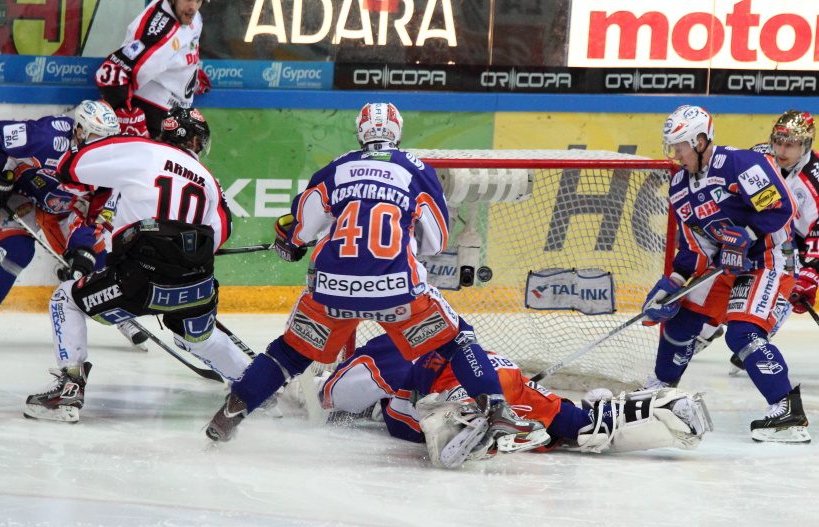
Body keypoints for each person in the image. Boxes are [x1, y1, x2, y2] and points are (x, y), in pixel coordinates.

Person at [204, 102, 546, 452]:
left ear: (359, 132)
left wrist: (288, 241)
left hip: (330, 289)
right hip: (397, 291)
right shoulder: (417, 169)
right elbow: (436, 242)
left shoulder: (335, 168)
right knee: (456, 341)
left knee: (289, 353)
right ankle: (497, 407)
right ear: (397, 131)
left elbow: (301, 231)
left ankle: (234, 408)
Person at [24, 101, 248, 423]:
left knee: (65, 299)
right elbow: (218, 234)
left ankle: (70, 389)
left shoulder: (143, 150)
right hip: (196, 286)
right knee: (199, 338)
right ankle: (255, 388)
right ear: (196, 142)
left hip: (137, 282)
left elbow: (72, 167)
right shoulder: (211, 182)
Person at [280, 333, 712, 468]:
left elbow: (333, 394)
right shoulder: (445, 324)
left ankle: (472, 424)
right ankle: (660, 410)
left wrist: (305, 390)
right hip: (503, 373)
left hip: (464, 391)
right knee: (580, 426)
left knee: (402, 412)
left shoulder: (381, 348)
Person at [642, 105, 808, 443]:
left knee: (742, 334)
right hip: (725, 265)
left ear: (701, 141)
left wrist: (745, 236)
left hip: (767, 259)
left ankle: (788, 413)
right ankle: (660, 393)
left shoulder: (741, 164)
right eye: (672, 148)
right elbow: (693, 247)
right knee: (681, 321)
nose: (676, 155)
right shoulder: (678, 185)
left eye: (681, 147)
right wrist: (673, 283)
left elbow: (781, 208)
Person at [0, 108, 136, 355]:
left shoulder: (108, 168)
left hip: (62, 206)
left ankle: (114, 309)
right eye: (94, 138)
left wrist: (81, 251)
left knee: (97, 256)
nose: (100, 147)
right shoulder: (46, 137)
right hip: (16, 192)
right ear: (78, 130)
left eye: (106, 140)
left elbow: (94, 218)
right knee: (17, 252)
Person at [694, 111, 819, 374]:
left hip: (798, 241)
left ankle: (760, 333)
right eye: (779, 141)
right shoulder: (760, 157)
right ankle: (703, 332)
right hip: (760, 230)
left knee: (791, 280)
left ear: (806, 145)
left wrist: (811, 272)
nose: (782, 149)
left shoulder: (813, 182)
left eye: (791, 144)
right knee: (724, 278)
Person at [95, 0, 211, 139]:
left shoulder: (190, 15)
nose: (193, 7)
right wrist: (127, 116)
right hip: (151, 115)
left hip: (174, 114)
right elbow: (110, 73)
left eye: (198, 0)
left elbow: (181, 48)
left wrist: (188, 74)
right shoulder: (160, 34)